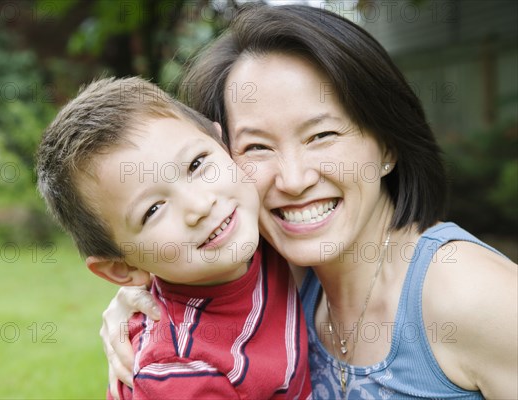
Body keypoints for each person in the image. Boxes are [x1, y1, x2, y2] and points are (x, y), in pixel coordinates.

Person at [100, 4, 518, 400]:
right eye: (258, 147)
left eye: (322, 136)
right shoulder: (282, 281)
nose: (295, 180)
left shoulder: (471, 297)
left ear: (388, 145)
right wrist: (134, 307)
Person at [36, 76, 312, 399]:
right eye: (153, 210)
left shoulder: (256, 227)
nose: (200, 205)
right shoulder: (181, 372)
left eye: (196, 164)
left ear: (222, 145)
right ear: (121, 269)